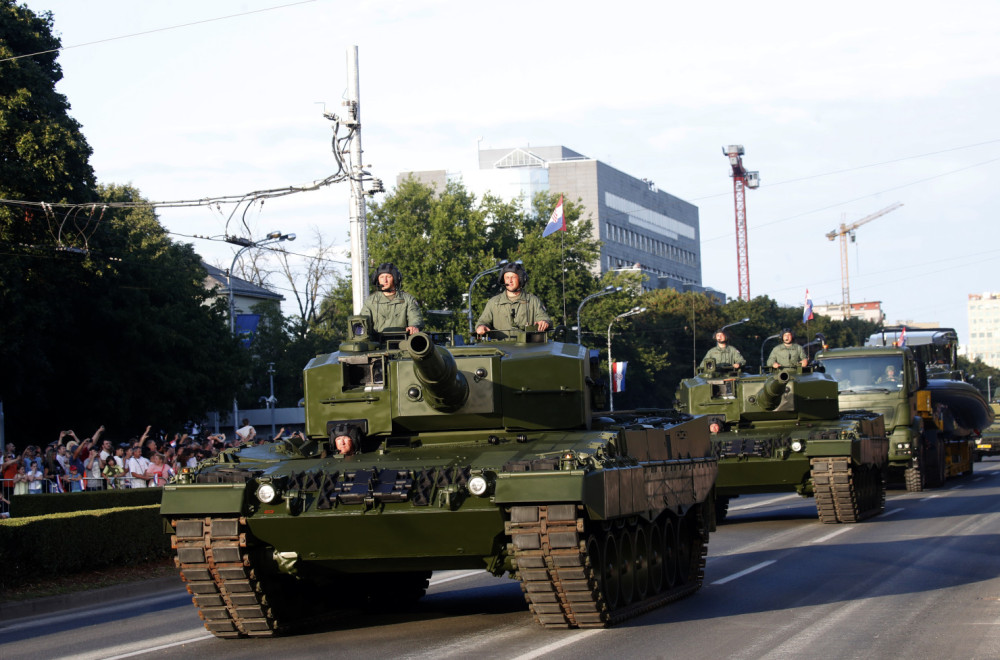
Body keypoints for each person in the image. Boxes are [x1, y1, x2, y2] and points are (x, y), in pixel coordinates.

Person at [475, 262, 551, 335]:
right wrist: (481, 327)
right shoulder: (494, 303)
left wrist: (544, 322)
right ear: (503, 280)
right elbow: (483, 321)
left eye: (513, 277)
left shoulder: (532, 301)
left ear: (521, 279)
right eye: (507, 277)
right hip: (500, 346)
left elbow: (543, 317)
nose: (510, 281)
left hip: (527, 346)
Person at [361, 262, 424, 335]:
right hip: (377, 342)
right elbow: (363, 322)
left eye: (388, 277)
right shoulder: (370, 301)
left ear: (395, 278)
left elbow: (415, 317)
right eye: (381, 277)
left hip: (402, 341)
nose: (385, 280)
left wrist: (414, 326)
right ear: (377, 279)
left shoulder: (407, 299)